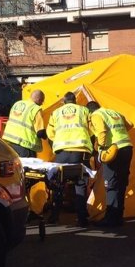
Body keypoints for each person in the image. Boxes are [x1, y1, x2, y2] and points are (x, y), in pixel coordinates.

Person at [46, 91, 93, 227]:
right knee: (80, 184)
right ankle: (82, 219)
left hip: (62, 151)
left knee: (58, 184)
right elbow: (91, 129)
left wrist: (61, 139)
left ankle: (54, 216)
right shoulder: (84, 110)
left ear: (64, 101)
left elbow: (50, 133)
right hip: (81, 150)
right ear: (75, 100)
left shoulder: (56, 113)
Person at [87, 100, 133, 227]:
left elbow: (101, 131)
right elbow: (130, 124)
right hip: (127, 148)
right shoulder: (114, 112)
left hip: (113, 151)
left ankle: (110, 219)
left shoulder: (96, 115)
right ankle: (118, 217)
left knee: (111, 183)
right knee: (122, 182)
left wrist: (101, 147)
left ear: (90, 112)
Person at [1, 90, 46, 158]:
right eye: (42, 101)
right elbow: (40, 132)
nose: (42, 103)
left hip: (10, 142)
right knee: (27, 167)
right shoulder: (35, 109)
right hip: (25, 145)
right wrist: (46, 137)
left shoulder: (17, 104)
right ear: (39, 99)